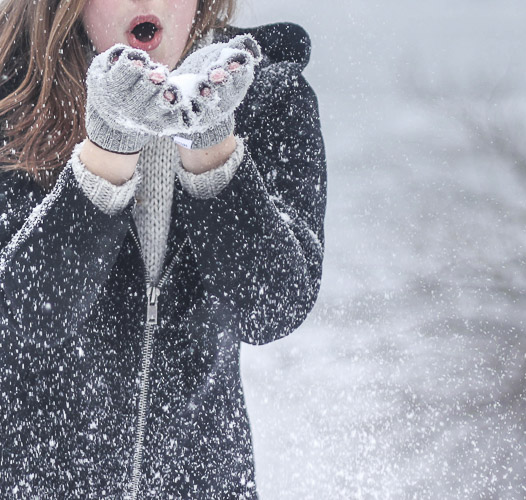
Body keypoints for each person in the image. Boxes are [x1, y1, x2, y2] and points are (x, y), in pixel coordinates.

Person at [0, 0, 326, 497]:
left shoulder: (266, 98)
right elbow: (21, 320)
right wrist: (107, 151)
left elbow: (272, 309)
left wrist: (212, 149)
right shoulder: (12, 101)